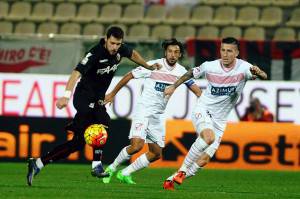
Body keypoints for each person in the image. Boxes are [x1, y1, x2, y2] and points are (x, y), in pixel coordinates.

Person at [26, 26, 161, 186]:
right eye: (112, 43)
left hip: (97, 99)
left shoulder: (120, 49)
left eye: (118, 44)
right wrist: (66, 96)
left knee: (77, 144)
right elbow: (76, 73)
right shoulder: (94, 53)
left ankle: (38, 163)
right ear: (106, 39)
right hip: (83, 98)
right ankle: (96, 164)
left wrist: (148, 66)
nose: (115, 47)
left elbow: (132, 54)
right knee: (103, 121)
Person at [162, 37, 268, 190]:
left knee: (204, 159)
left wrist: (259, 72)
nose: (225, 54)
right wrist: (173, 86)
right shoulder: (210, 66)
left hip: (220, 120)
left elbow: (264, 76)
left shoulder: (244, 68)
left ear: (237, 53)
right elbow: (190, 73)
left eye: (229, 51)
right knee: (208, 137)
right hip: (203, 109)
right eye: (223, 50)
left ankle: (171, 179)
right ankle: (183, 170)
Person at [101, 38, 202, 184]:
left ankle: (125, 172)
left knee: (156, 153)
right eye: (170, 51)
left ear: (180, 55)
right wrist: (112, 94)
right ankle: (111, 168)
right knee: (137, 146)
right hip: (144, 110)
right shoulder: (154, 65)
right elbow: (130, 75)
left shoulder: (181, 72)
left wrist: (204, 102)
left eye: (176, 52)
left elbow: (196, 89)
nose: (173, 55)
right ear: (165, 52)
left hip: (158, 115)